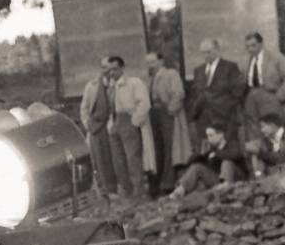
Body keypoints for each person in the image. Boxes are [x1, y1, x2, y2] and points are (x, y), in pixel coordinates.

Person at [102, 56, 154, 199]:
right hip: (115, 123)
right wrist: (111, 124)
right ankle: (127, 190)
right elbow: (110, 108)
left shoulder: (134, 83)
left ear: (122, 68)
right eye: (110, 70)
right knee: (118, 159)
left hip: (129, 121)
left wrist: (134, 121)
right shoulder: (110, 88)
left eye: (115, 69)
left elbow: (144, 104)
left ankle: (138, 191)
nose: (112, 73)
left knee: (132, 158)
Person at [146, 52, 193, 195]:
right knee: (157, 148)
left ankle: (169, 182)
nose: (150, 66)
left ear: (161, 61)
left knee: (170, 147)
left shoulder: (171, 74)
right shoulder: (150, 79)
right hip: (154, 115)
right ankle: (158, 182)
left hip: (167, 114)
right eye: (147, 63)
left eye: (152, 62)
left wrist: (171, 111)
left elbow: (178, 93)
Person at [240, 32, 285, 178]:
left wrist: (280, 96)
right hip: (252, 97)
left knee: (270, 132)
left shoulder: (275, 57)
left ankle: (277, 170)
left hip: (270, 96)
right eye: (247, 46)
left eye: (253, 45)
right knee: (254, 135)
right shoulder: (246, 61)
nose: (250, 49)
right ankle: (258, 172)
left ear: (261, 44)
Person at [189, 38, 244, 145]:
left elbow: (237, 92)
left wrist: (226, 108)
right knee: (206, 151)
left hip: (224, 117)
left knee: (227, 147)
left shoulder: (230, 67)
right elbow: (195, 94)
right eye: (203, 53)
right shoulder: (198, 70)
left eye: (208, 52)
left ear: (217, 50)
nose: (206, 55)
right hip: (204, 119)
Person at [80, 58, 120, 197]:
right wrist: (88, 125)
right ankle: (106, 190)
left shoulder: (119, 83)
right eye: (104, 67)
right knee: (101, 159)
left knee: (116, 157)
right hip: (97, 128)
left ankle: (120, 187)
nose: (107, 71)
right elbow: (84, 108)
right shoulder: (92, 86)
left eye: (110, 68)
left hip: (114, 125)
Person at [172, 125, 247, 197]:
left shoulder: (232, 144)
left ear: (221, 135)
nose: (209, 138)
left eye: (211, 135)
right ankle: (179, 191)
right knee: (197, 167)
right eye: (207, 136)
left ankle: (226, 187)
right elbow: (191, 162)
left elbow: (236, 154)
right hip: (218, 181)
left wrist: (217, 154)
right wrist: (200, 154)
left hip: (237, 178)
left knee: (227, 162)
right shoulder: (212, 149)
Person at [247, 111, 285, 177]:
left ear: (272, 126)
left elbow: (281, 158)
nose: (262, 130)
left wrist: (259, 153)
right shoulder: (269, 139)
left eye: (263, 126)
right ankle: (259, 177)